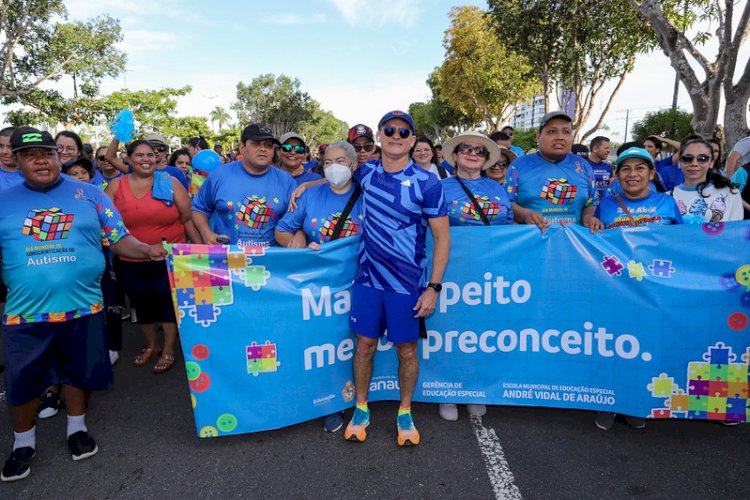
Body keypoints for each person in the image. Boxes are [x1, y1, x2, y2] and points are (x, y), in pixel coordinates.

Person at [0, 127, 167, 482]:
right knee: (23, 383)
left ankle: (77, 428)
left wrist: (149, 250)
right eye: (30, 156)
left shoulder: (90, 195)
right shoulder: (3, 200)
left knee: (78, 373)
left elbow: (119, 239)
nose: (41, 160)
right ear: (16, 161)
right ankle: (22, 443)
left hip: (84, 309)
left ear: (59, 155)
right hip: (25, 314)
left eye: (47, 152)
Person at [343, 110, 450, 447]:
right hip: (367, 279)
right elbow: (337, 179)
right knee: (364, 346)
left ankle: (405, 411)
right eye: (389, 130)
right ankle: (361, 408)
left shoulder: (428, 183)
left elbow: (443, 239)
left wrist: (433, 288)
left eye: (404, 132)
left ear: (413, 140)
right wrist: (309, 186)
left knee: (406, 350)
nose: (396, 136)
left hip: (405, 285)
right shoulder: (366, 172)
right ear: (379, 134)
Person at [105, 140, 200, 373]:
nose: (147, 159)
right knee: (141, 305)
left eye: (151, 154)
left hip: (169, 260)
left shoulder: (171, 183)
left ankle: (168, 349)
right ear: (127, 158)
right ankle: (152, 345)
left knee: (168, 304)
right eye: (139, 155)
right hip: (130, 261)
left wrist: (201, 250)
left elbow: (187, 219)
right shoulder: (116, 187)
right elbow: (106, 224)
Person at [437, 131, 513, 421]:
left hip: (490, 274)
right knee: (450, 332)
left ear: (486, 159)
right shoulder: (439, 188)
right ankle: (447, 390)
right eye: (465, 149)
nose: (472, 153)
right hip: (452, 272)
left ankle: (475, 389)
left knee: (482, 332)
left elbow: (508, 230)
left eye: (479, 151)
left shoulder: (499, 190)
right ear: (455, 156)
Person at [192, 124, 296, 246]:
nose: (263, 149)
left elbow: (298, 219)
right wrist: (206, 234)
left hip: (270, 261)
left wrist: (299, 237)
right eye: (256, 143)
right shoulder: (219, 175)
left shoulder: (286, 181)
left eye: (268, 145)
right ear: (242, 148)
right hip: (228, 259)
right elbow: (199, 209)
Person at [505, 111, 603, 233]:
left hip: (574, 244)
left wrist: (588, 218)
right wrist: (525, 215)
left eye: (566, 132)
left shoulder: (583, 166)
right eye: (552, 131)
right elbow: (506, 203)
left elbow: (591, 202)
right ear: (538, 136)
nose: (560, 137)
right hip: (532, 244)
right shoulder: (518, 166)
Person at [595, 147, 683, 229]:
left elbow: (680, 240)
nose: (632, 174)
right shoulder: (605, 205)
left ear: (651, 174)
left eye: (640, 168)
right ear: (617, 176)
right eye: (626, 169)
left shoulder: (667, 202)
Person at [671, 138, 743, 223]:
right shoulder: (666, 198)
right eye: (687, 158)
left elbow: (736, 232)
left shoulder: (730, 193)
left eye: (702, 158)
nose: (694, 163)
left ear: (711, 162)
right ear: (679, 162)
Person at [105, 134, 188, 190]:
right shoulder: (135, 170)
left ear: (166, 152)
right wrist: (119, 133)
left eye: (160, 148)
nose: (156, 151)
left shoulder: (177, 173)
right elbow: (110, 157)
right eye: (151, 147)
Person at [588, 136, 614, 200]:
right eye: (606, 148)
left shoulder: (608, 167)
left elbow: (611, 187)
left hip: (605, 206)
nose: (609, 151)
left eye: (609, 148)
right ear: (595, 149)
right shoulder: (582, 166)